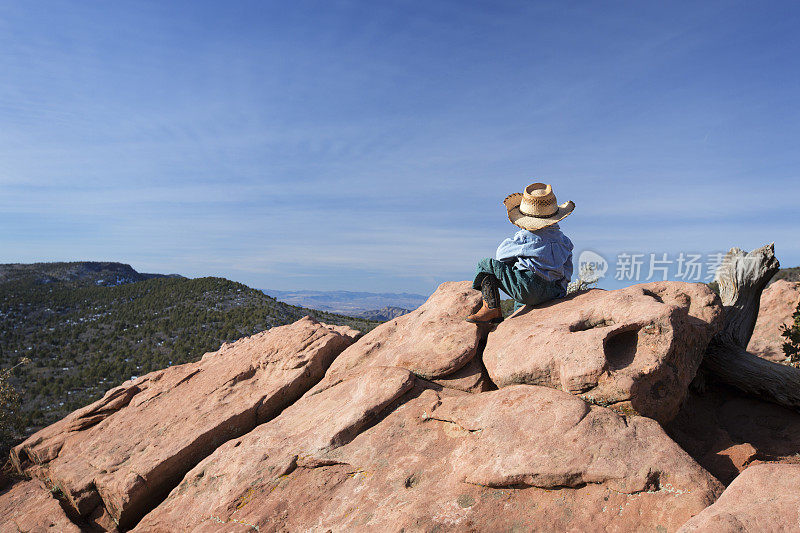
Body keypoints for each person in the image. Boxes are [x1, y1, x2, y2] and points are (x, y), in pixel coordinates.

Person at [466, 182, 575, 324]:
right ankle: (516, 311)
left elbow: (501, 254)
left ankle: (492, 308)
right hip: (553, 291)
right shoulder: (565, 241)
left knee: (486, 264)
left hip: (530, 288)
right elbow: (567, 270)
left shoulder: (526, 236)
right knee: (520, 291)